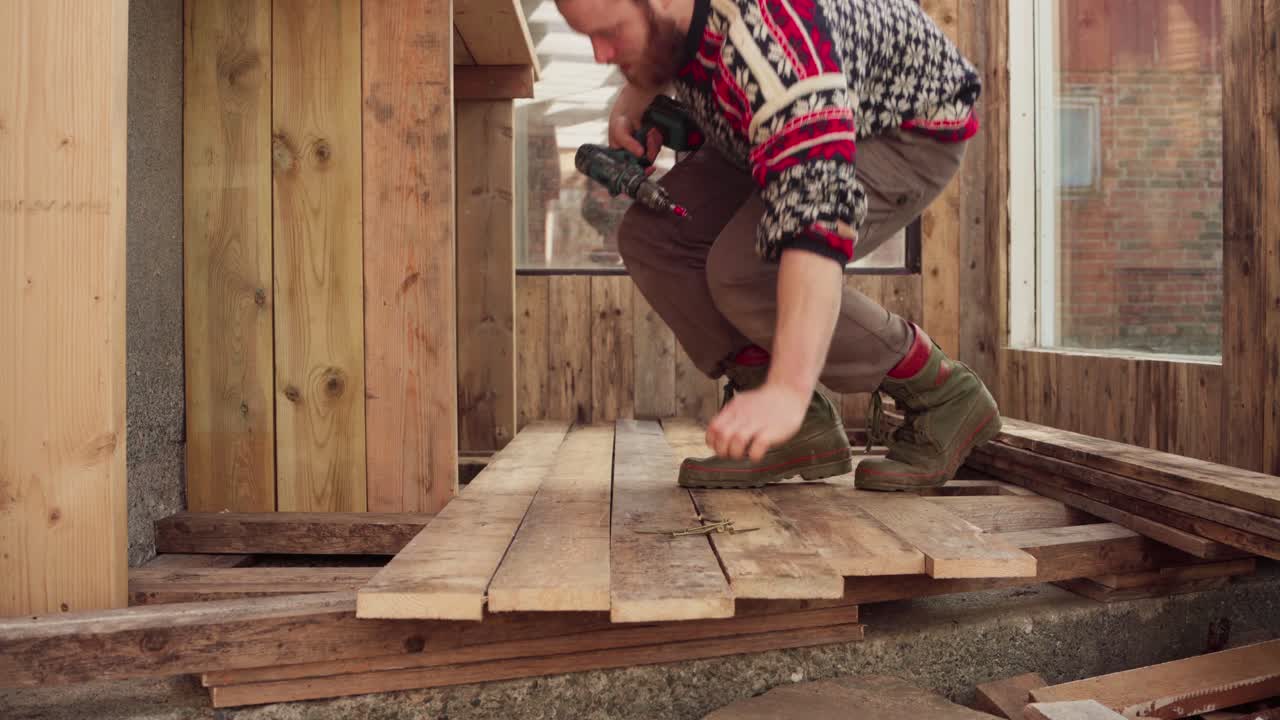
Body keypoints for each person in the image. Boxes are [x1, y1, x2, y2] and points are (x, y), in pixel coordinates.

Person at [555, 0, 1002, 490]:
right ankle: (801, 429)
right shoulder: (680, 20)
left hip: (897, 131)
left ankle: (941, 391)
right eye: (588, 38)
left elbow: (815, 217)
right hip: (778, 122)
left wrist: (790, 388)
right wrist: (635, 94)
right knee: (656, 237)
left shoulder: (772, 40)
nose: (600, 55)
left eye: (611, 34)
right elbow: (681, 48)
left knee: (748, 269)